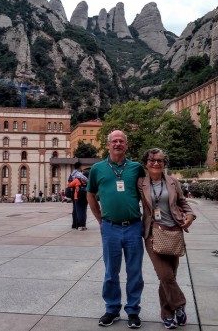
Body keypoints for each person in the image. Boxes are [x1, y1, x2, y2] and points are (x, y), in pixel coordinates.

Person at [87, 130, 146, 329]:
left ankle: (132, 311)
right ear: (108, 145)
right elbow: (91, 195)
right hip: (110, 227)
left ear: (126, 145)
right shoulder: (97, 168)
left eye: (121, 141)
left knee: (134, 271)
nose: (118, 144)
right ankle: (112, 309)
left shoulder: (136, 168)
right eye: (114, 141)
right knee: (111, 272)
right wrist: (99, 220)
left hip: (133, 227)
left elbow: (146, 193)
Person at [138, 148, 196, 329]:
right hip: (153, 233)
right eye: (152, 160)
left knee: (169, 278)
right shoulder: (140, 183)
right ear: (146, 163)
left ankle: (167, 315)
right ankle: (180, 305)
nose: (156, 163)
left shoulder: (172, 182)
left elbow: (182, 202)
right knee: (165, 275)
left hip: (174, 232)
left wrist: (190, 215)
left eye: (160, 160)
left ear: (165, 163)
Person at [69, 161, 88, 229]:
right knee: (83, 210)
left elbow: (69, 185)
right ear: (80, 166)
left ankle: (75, 224)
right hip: (83, 194)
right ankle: (82, 224)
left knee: (76, 210)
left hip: (75, 193)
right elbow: (87, 180)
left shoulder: (72, 174)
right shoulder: (79, 174)